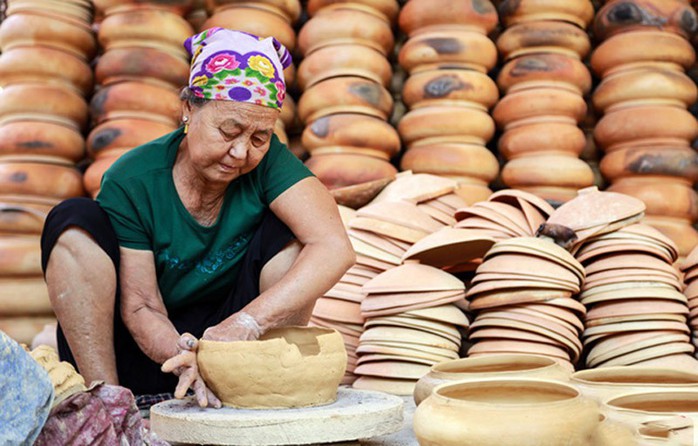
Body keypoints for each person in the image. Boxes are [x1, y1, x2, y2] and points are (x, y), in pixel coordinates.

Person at [40, 28, 355, 408]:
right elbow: (142, 306)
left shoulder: (270, 163)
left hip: (234, 346)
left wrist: (247, 324)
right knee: (74, 220)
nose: (241, 151)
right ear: (188, 109)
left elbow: (334, 247)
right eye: (229, 130)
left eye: (259, 137)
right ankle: (107, 406)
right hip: (144, 349)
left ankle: (265, 389)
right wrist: (182, 352)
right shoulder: (133, 178)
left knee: (292, 234)